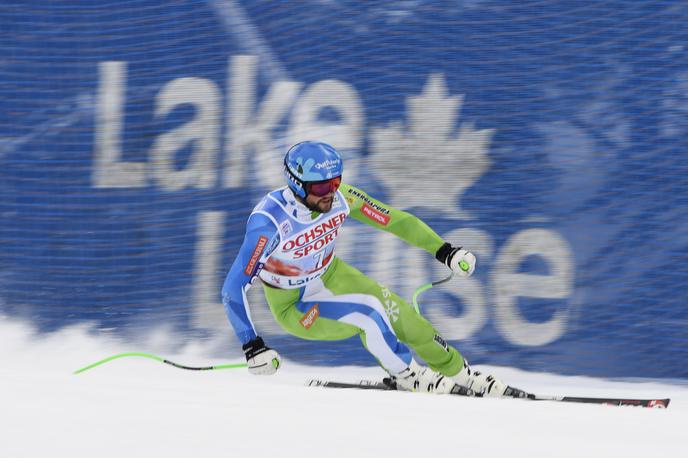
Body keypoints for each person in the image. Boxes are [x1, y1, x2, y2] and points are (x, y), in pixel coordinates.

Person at [221, 141, 524, 397]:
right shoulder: (269, 223)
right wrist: (252, 345)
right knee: (369, 313)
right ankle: (407, 375)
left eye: (336, 181)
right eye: (323, 185)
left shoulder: (342, 199)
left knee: (408, 320)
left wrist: (445, 251)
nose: (331, 191)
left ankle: (463, 374)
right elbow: (233, 288)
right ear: (296, 183)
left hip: (332, 274)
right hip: (295, 304)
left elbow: (396, 220)